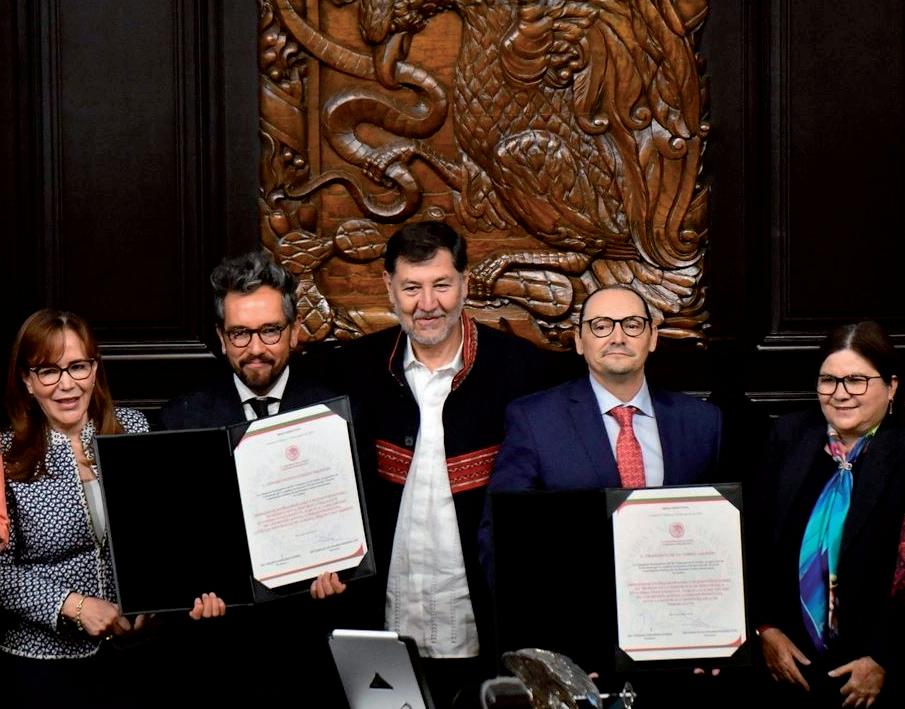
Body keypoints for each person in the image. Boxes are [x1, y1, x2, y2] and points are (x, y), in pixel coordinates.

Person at [324, 220, 554, 708]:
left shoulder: (523, 371)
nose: (427, 304)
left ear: (465, 284)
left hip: (484, 631)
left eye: (441, 285)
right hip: (382, 627)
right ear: (389, 288)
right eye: (412, 288)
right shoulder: (351, 370)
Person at [0, 309, 224, 708]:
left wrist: (160, 606)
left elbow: (167, 535)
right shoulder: (5, 457)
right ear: (27, 381)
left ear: (94, 369)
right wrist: (75, 606)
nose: (67, 384)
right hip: (43, 668)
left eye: (78, 366)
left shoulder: (134, 430)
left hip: (137, 657)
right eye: (48, 371)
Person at [160, 250, 346, 703]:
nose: (256, 347)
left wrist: (342, 575)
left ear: (294, 332)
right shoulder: (181, 420)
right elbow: (171, 536)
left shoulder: (336, 413)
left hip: (312, 649)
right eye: (240, 333)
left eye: (269, 330)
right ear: (222, 338)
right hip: (219, 652)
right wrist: (190, 595)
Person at [752, 321, 905, 708]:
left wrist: (884, 658)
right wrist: (765, 628)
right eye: (828, 380)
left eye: (856, 380)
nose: (840, 393)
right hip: (788, 669)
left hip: (874, 676)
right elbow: (753, 540)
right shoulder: (788, 437)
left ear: (891, 387)